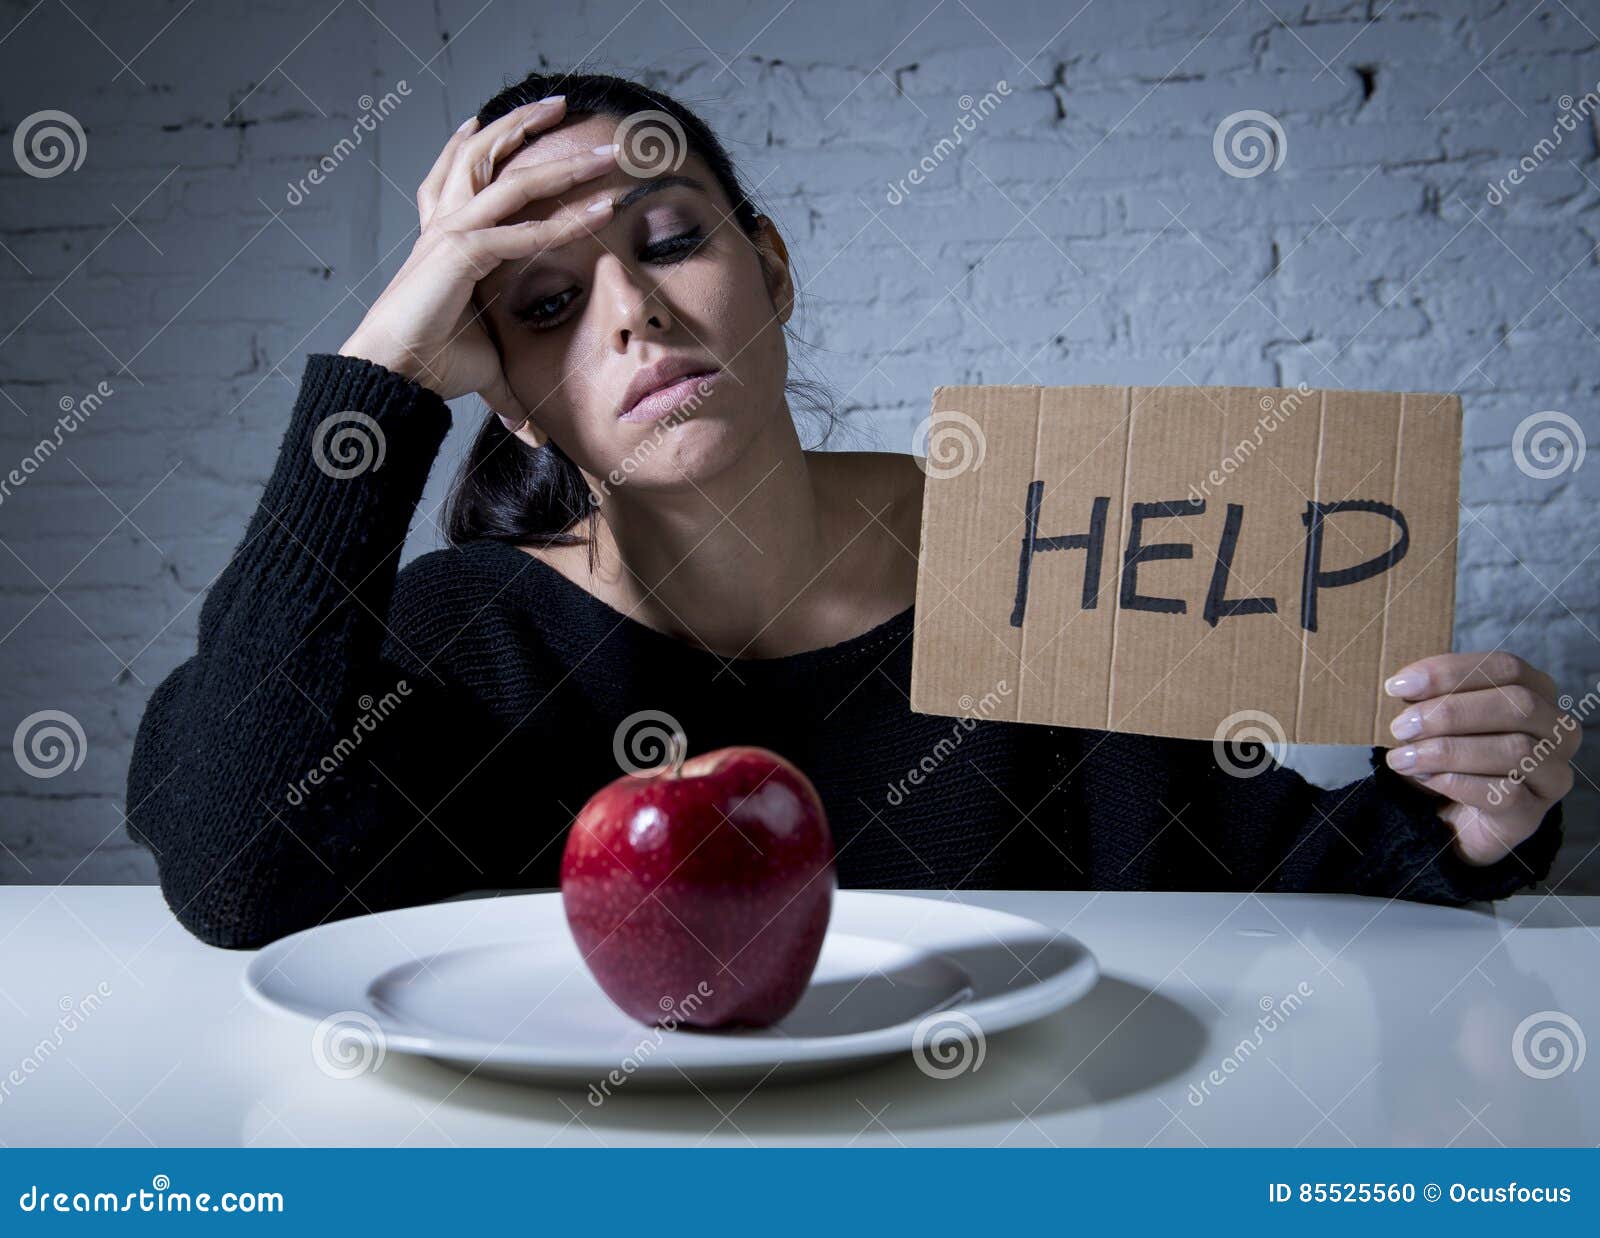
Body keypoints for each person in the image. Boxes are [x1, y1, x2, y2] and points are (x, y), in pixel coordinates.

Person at [124, 72, 1578, 950]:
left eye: (671, 240)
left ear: (769, 266)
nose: (631, 313)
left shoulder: (1046, 547)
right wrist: (379, 372)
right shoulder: (455, 639)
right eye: (547, 306)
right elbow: (237, 858)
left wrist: (1476, 809)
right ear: (498, 384)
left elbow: (1273, 886)